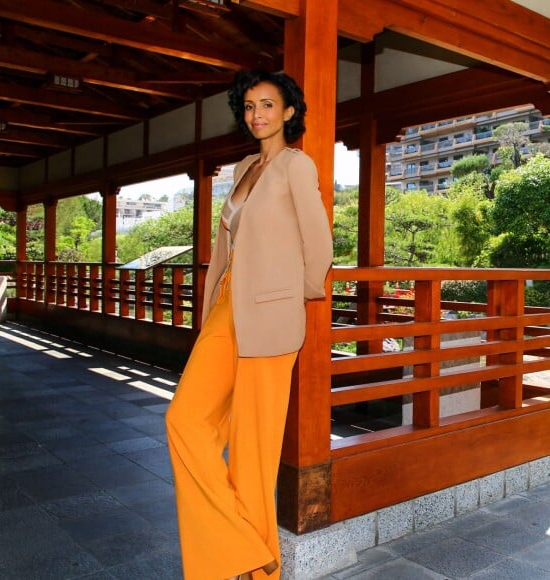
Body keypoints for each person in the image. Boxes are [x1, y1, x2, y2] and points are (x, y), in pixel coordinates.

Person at [165, 69, 333, 580]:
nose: (257, 115)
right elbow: (225, 244)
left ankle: (256, 572)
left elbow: (319, 245)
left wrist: (288, 294)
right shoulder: (242, 168)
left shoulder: (295, 166)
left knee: (254, 452)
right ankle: (244, 547)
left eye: (267, 105)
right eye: (249, 106)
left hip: (271, 318)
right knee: (184, 422)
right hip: (225, 310)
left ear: (288, 112)